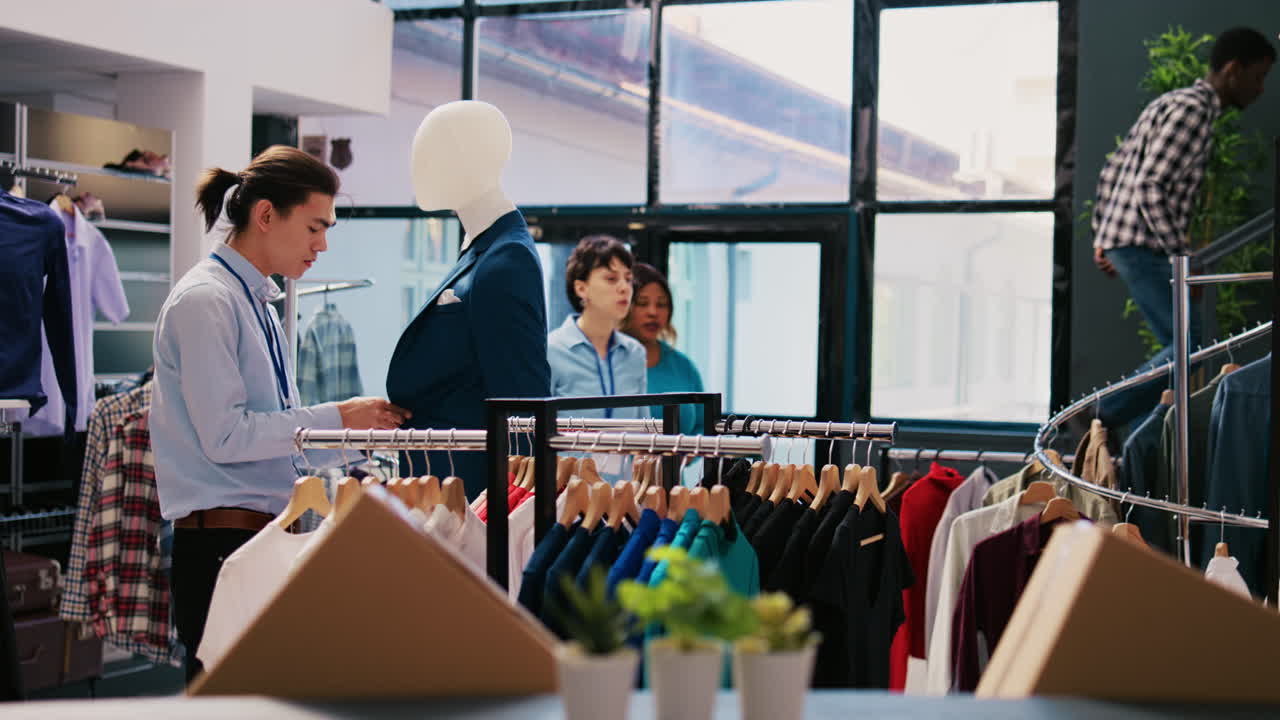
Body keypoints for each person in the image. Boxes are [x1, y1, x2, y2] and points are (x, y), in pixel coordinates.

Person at [151, 146, 410, 682]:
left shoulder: (256, 304)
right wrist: (339, 416)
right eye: (316, 226)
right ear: (266, 215)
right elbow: (226, 437)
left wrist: (359, 430)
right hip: (221, 547)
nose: (323, 245)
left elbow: (278, 439)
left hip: (259, 537)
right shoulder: (206, 301)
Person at [1092, 27, 1274, 428]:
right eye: (1258, 76)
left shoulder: (1172, 102)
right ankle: (1101, 413)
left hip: (1130, 241)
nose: (1260, 89)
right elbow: (1149, 183)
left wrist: (1103, 236)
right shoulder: (1193, 110)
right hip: (1144, 245)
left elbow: (1114, 169)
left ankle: (1133, 432)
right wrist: (1182, 259)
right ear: (1232, 69)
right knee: (1192, 346)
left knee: (1185, 346)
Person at [387, 101, 550, 501]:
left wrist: (512, 508)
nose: (417, 168)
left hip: (472, 495)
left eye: (432, 154)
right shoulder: (483, 250)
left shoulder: (504, 260)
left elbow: (522, 401)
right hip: (445, 484)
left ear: (477, 159)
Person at [548, 235, 647, 419]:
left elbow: (646, 429)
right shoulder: (551, 351)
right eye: (611, 279)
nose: (625, 288)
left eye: (628, 279)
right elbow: (534, 432)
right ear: (581, 289)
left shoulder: (635, 353)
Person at [622, 262, 705, 434]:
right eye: (642, 303)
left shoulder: (683, 366)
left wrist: (686, 452)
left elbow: (703, 425)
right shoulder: (604, 363)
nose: (653, 312)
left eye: (661, 304)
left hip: (676, 462)